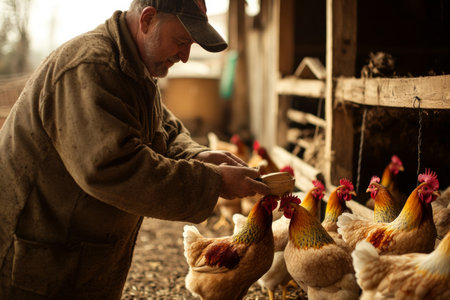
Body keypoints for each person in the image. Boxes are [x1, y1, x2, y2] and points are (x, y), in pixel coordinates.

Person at [0, 0, 270, 298]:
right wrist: (213, 181)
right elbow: (113, 166)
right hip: (36, 260)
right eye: (181, 41)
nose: (184, 56)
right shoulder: (91, 68)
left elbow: (162, 127)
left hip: (73, 254)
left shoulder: (134, 67)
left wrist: (197, 155)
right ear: (148, 19)